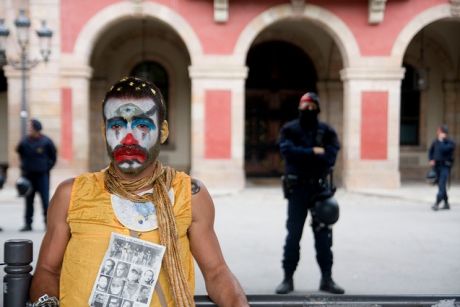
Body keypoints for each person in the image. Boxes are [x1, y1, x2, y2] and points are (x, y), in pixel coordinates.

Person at [29, 77, 249, 306]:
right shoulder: (71, 194)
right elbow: (47, 270)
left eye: (142, 125)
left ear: (163, 131)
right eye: (116, 126)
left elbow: (216, 272)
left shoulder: (190, 194)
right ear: (105, 131)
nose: (128, 138)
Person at [275, 92, 345, 295]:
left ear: (318, 109)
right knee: (293, 235)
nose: (308, 110)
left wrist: (303, 154)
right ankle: (287, 279)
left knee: (324, 237)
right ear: (299, 107)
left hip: (319, 190)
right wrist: (314, 152)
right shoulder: (289, 129)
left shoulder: (327, 131)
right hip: (297, 190)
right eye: (305, 106)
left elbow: (330, 158)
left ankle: (327, 279)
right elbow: (287, 152)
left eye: (312, 106)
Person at [16, 118, 57, 231]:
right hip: (28, 177)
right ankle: (28, 224)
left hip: (42, 176)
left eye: (31, 126)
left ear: (37, 129)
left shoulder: (46, 141)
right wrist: (23, 167)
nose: (29, 128)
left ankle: (47, 224)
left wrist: (46, 168)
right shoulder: (24, 141)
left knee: (45, 200)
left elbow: (53, 157)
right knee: (29, 201)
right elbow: (19, 152)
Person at [429, 124, 455, 211]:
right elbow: (431, 151)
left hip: (445, 166)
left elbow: (444, 149)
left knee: (441, 184)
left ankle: (437, 203)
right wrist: (431, 159)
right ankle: (446, 203)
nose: (438, 133)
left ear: (444, 133)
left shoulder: (450, 142)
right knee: (441, 185)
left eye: (440, 131)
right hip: (437, 166)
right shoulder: (435, 142)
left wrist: (440, 141)